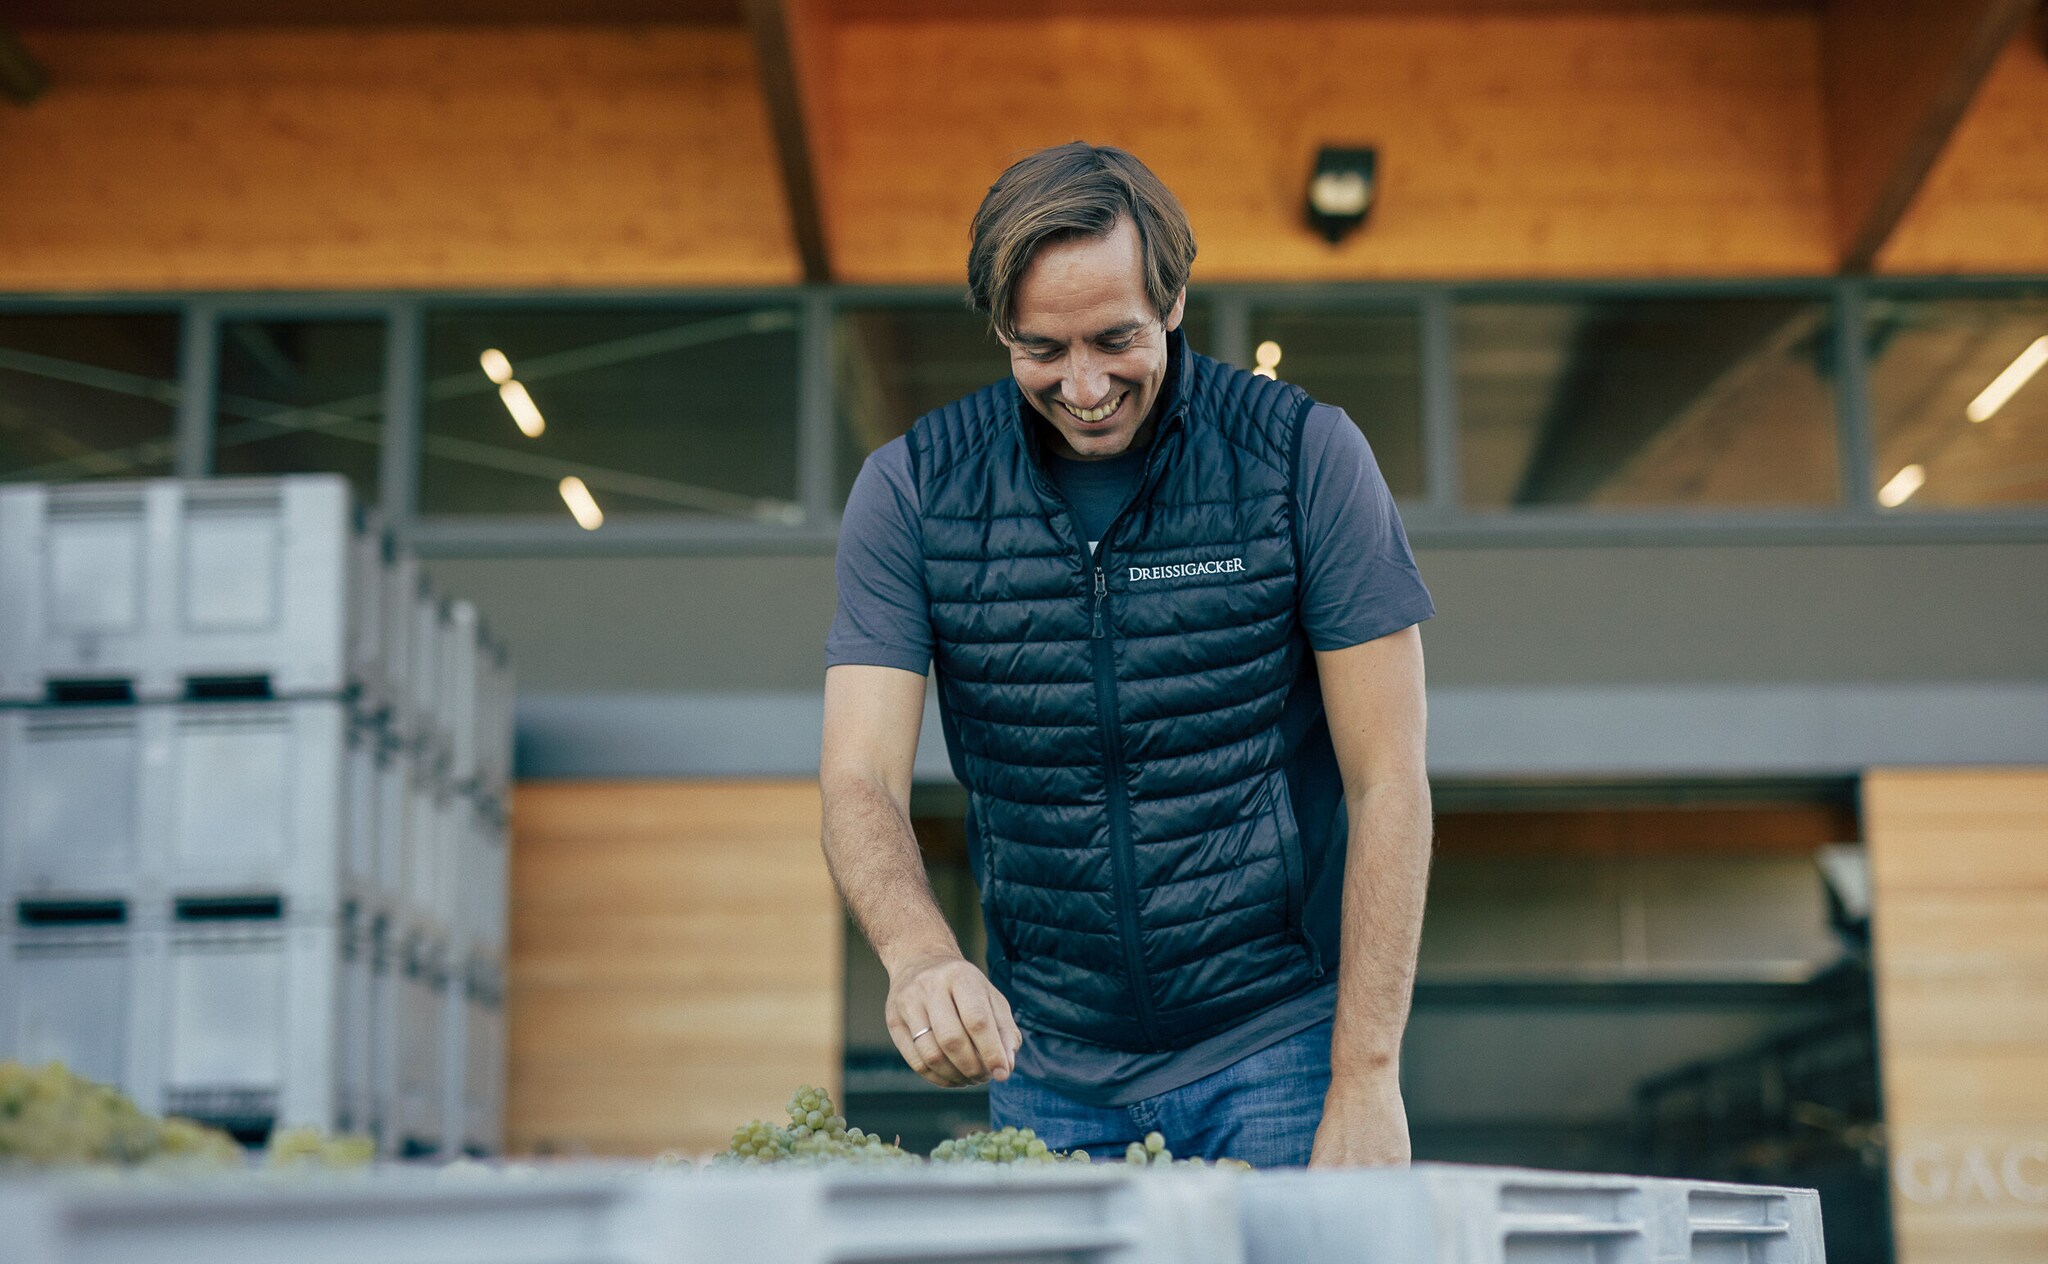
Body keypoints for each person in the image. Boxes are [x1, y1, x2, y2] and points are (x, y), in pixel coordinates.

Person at [820, 142, 1434, 1168]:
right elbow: (857, 775)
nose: (1084, 384)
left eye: (1114, 339)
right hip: (1046, 1067)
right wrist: (918, 955)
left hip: (1273, 1046)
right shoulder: (913, 491)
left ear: (1174, 296)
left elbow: (1387, 782)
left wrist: (1366, 1073)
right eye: (1040, 350)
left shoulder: (1301, 458)